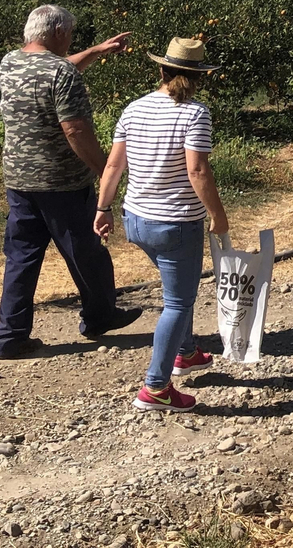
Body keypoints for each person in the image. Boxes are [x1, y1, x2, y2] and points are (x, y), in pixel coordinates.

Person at [0, 4, 139, 360]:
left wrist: (94, 51)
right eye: (71, 34)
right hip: (63, 184)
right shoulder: (61, 73)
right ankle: (100, 316)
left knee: (21, 259)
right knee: (87, 253)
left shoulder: (10, 62)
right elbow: (74, 128)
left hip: (19, 181)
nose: (71, 40)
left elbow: (51, 72)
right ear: (59, 33)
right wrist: (106, 170)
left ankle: (10, 337)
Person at [95, 37, 229, 412]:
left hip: (135, 220)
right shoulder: (195, 114)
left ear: (162, 70)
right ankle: (155, 387)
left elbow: (112, 166)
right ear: (199, 76)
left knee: (177, 290)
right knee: (178, 302)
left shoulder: (133, 109)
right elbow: (197, 169)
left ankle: (185, 352)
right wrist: (218, 216)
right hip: (175, 224)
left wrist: (102, 208)